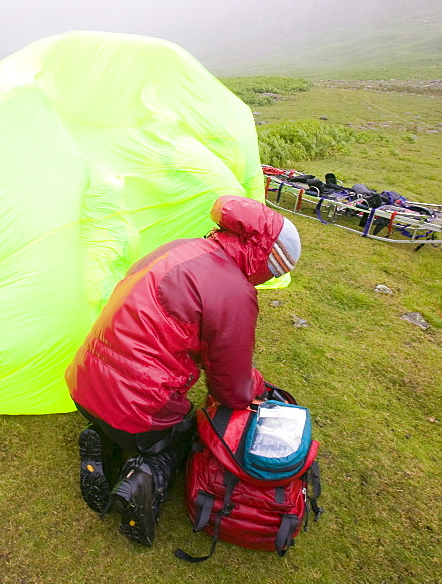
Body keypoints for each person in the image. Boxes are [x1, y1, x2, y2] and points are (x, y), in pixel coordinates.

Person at [64, 195, 301, 546]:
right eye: (275, 271)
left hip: (83, 381)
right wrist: (257, 386)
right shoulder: (234, 290)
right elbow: (231, 390)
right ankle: (142, 478)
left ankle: (102, 440)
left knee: (130, 410)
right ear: (264, 258)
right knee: (187, 429)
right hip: (136, 410)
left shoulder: (180, 248)